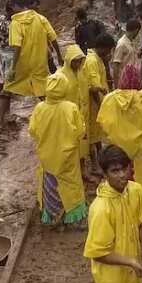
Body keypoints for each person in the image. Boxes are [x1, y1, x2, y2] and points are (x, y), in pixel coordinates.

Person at [83, 145, 142, 283]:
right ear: (105, 175)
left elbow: (138, 224)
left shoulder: (136, 191)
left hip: (132, 269)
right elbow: (98, 254)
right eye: (115, 171)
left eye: (125, 168)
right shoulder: (101, 209)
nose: (122, 175)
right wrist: (130, 262)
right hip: (112, 277)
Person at [28, 73, 88, 227]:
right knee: (71, 186)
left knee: (51, 185)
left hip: (47, 157)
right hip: (67, 158)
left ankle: (53, 215)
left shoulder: (39, 108)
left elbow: (33, 131)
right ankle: (74, 219)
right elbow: (80, 131)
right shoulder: (70, 108)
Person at [97, 84, 142, 207]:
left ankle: (128, 195)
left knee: (122, 170)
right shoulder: (141, 96)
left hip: (121, 141)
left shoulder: (110, 98)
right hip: (141, 142)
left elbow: (103, 121)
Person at [2, 0, 63, 104]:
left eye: (10, 9)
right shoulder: (40, 18)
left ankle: (1, 120)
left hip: (22, 64)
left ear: (15, 6)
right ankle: (51, 113)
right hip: (39, 63)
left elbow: (17, 47)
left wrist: (12, 68)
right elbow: (53, 38)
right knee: (42, 91)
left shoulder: (15, 23)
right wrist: (59, 56)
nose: (9, 13)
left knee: (7, 89)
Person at [85, 34, 115, 171]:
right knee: (92, 133)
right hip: (93, 103)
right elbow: (95, 87)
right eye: (109, 50)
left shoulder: (97, 59)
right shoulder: (92, 61)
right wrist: (101, 106)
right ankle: (94, 164)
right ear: (102, 48)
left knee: (96, 133)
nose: (109, 53)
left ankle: (99, 155)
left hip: (98, 101)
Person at [0, 1, 17, 127]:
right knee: (8, 87)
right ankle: (1, 119)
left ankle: (6, 114)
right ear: (11, 10)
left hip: (2, 53)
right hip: (10, 55)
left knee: (8, 85)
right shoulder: (11, 25)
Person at [112, 19, 142, 90]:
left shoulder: (130, 41)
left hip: (132, 78)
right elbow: (116, 65)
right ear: (136, 30)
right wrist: (116, 86)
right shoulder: (122, 44)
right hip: (124, 80)